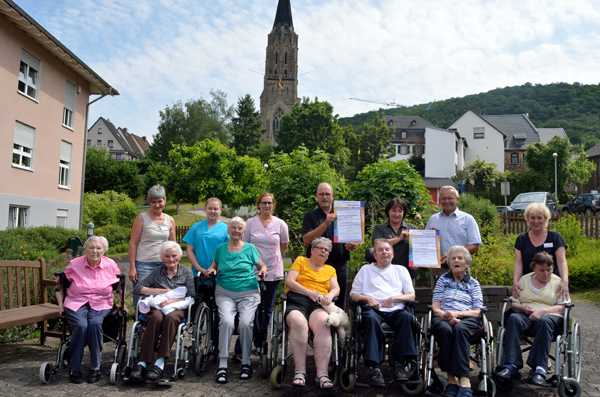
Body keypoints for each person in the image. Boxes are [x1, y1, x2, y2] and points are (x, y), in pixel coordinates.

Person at [206, 217, 267, 384]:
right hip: (225, 292)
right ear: (228, 230)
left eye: (239, 228)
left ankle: (246, 362)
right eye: (233, 227)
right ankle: (223, 363)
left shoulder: (250, 248)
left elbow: (262, 265)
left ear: (243, 231)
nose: (236, 230)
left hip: (248, 292)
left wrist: (262, 270)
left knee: (246, 323)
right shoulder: (220, 249)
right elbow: (214, 266)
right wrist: (211, 270)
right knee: (226, 322)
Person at [350, 239, 417, 387]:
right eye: (380, 250)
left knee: (407, 319)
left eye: (387, 250)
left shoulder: (401, 270)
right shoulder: (365, 270)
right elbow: (353, 294)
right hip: (373, 309)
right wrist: (367, 298)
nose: (384, 252)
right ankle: (374, 367)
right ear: (374, 254)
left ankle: (400, 364)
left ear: (392, 254)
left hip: (396, 309)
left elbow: (411, 295)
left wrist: (395, 298)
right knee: (370, 320)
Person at [58, 236, 120, 384]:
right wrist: (60, 305)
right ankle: (75, 368)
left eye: (99, 248)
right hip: (76, 302)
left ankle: (95, 367)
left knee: (94, 324)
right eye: (91, 248)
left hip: (101, 303)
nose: (95, 251)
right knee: (81, 326)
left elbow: (117, 286)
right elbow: (59, 286)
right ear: (85, 250)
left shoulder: (110, 265)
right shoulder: (74, 264)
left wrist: (118, 302)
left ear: (104, 251)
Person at [130, 241, 195, 383]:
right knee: (155, 318)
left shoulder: (186, 273)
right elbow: (137, 288)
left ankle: (160, 362)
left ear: (179, 256)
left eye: (174, 256)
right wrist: (161, 292)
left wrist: (171, 301)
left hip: (177, 307)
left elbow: (191, 295)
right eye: (167, 256)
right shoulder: (157, 272)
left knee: (171, 318)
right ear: (162, 258)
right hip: (158, 306)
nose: (171, 259)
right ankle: (143, 362)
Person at [496, 252, 564, 386]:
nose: (546, 274)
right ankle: (511, 365)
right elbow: (514, 302)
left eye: (549, 270)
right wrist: (522, 308)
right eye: (542, 270)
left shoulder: (558, 282)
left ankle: (539, 368)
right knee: (514, 318)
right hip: (526, 315)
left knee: (545, 321)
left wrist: (544, 311)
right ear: (534, 268)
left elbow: (563, 306)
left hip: (550, 317)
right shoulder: (524, 280)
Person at [285, 237, 340, 390]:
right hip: (298, 299)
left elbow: (336, 288)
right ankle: (299, 372)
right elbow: (290, 281)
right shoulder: (301, 261)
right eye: (321, 248)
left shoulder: (330, 269)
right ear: (312, 250)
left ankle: (322, 375)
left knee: (324, 322)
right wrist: (308, 292)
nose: (324, 251)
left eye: (327, 250)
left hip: (319, 303)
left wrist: (330, 295)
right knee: (298, 322)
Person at [431, 245, 484, 397]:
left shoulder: (473, 283)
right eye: (453, 258)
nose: (456, 260)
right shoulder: (443, 280)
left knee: (460, 329)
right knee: (445, 330)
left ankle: (464, 378)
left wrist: (457, 314)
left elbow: (477, 310)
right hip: (444, 317)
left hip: (467, 318)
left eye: (460, 258)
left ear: (467, 264)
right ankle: (451, 379)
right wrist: (446, 315)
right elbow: (435, 307)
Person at [243, 192, 289, 348]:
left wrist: (274, 259)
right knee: (253, 307)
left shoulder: (281, 224)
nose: (267, 206)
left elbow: (283, 245)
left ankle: (262, 342)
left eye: (269, 203)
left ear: (273, 205)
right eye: (264, 203)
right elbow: (245, 246)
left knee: (267, 308)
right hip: (253, 271)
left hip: (273, 270)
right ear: (259, 205)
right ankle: (250, 342)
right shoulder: (250, 223)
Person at [303, 182, 356, 309]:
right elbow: (307, 240)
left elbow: (351, 239)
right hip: (316, 267)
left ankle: (338, 329)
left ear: (332, 196)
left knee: (339, 303)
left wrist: (352, 245)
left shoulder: (344, 214)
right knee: (317, 302)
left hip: (339, 264)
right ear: (316, 197)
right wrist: (326, 223)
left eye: (327, 194)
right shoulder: (310, 216)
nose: (324, 197)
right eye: (321, 194)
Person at [128, 185, 176, 307]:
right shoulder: (141, 218)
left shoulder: (170, 220)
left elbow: (173, 245)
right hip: (144, 264)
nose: (157, 204)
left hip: (164, 265)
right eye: (153, 202)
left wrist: (175, 265)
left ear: (165, 200)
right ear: (149, 202)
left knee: (162, 299)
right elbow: (133, 243)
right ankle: (141, 324)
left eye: (160, 201)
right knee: (143, 300)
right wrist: (132, 267)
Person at [513, 202, 569, 299]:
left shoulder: (555, 238)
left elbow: (562, 262)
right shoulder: (521, 239)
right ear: (527, 219)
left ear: (546, 219)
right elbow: (518, 263)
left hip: (552, 286)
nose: (536, 221)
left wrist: (565, 282)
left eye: (539, 218)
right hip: (528, 286)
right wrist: (516, 282)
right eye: (532, 218)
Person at [183, 197, 228, 301]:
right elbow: (189, 250)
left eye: (216, 209)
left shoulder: (226, 229)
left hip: (219, 274)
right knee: (198, 304)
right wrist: (200, 269)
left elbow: (227, 252)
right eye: (210, 208)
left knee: (218, 305)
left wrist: (214, 268)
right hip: (198, 273)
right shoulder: (196, 227)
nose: (213, 211)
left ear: (221, 210)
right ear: (205, 209)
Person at [426, 186, 481, 265]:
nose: (447, 201)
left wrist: (452, 256)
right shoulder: (433, 219)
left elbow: (474, 245)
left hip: (460, 268)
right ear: (439, 200)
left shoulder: (467, 219)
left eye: (450, 198)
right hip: (438, 269)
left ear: (457, 200)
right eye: (443, 198)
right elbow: (425, 241)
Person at [372, 197, 415, 277]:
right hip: (383, 273)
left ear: (404, 213)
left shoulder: (412, 229)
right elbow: (377, 244)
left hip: (407, 273)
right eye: (393, 210)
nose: (397, 214)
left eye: (400, 211)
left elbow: (418, 251)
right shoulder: (379, 228)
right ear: (388, 211)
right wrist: (399, 238)